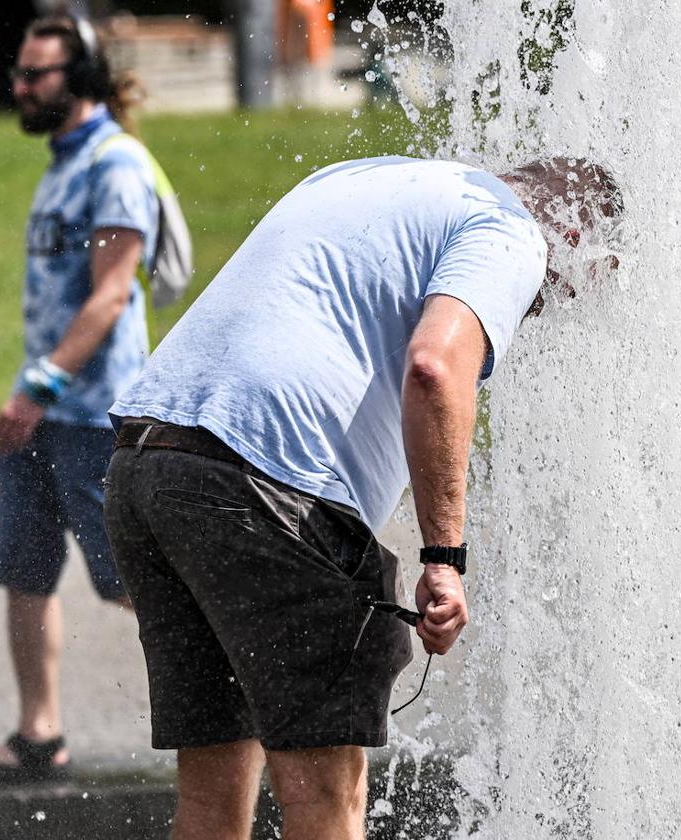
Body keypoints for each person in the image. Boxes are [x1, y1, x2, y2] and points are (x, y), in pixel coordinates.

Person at [102, 154, 621, 840]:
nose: (546, 305)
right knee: (325, 797)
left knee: (210, 800)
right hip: (266, 485)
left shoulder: (362, 179)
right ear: (577, 235)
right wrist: (443, 557)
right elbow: (436, 367)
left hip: (149, 463)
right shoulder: (509, 229)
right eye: (562, 291)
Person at [0, 15, 158, 786]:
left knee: (127, 580)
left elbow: (110, 298)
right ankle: (39, 735)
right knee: (24, 570)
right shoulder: (63, 162)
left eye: (35, 76)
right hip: (39, 409)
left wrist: (37, 390)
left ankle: (245, 694)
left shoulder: (116, 165)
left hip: (91, 414)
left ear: (78, 82)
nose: (18, 87)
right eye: (19, 73)